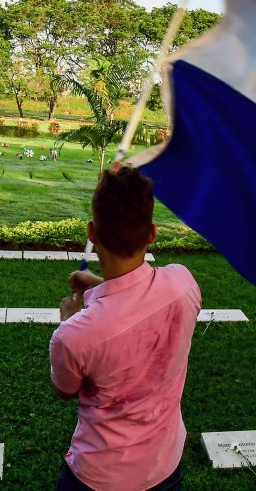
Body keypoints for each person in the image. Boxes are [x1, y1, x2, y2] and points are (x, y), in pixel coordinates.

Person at [49, 167, 201, 491]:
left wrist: (69, 319)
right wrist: (101, 287)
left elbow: (64, 390)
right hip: (164, 467)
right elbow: (138, 304)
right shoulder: (184, 284)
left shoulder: (73, 336)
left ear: (92, 232)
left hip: (99, 478)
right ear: (152, 234)